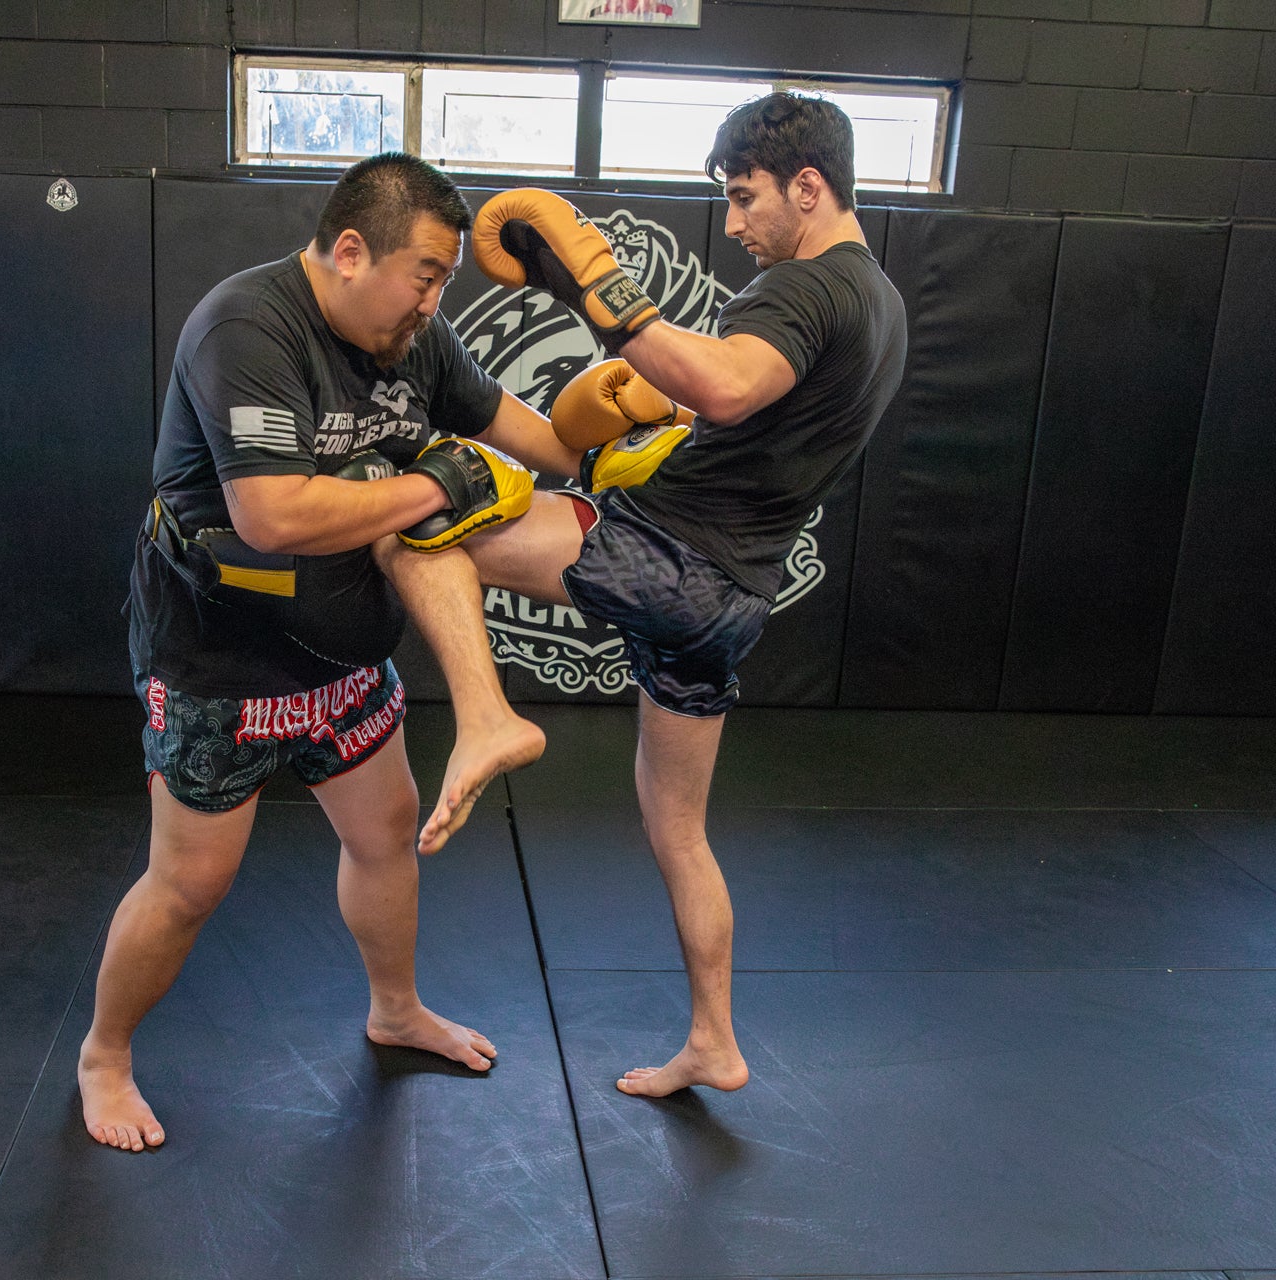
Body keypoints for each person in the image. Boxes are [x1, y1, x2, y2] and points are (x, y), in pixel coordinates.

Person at [385, 93, 909, 1097]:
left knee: (423, 524)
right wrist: (651, 395)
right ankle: (715, 1039)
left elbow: (728, 387)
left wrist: (598, 290)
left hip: (666, 554)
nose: (738, 222)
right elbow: (739, 409)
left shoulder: (805, 289)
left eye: (748, 197)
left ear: (810, 187)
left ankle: (488, 715)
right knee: (678, 828)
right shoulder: (877, 302)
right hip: (735, 601)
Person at [79, 152, 580, 1151]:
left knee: (387, 830)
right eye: (428, 274)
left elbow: (538, 442)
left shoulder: (416, 340)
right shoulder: (248, 325)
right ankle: (104, 1053)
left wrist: (624, 424)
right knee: (190, 884)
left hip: (344, 652)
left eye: (445, 281)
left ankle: (394, 1005)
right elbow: (273, 513)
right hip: (222, 661)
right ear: (352, 251)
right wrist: (441, 485)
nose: (436, 301)